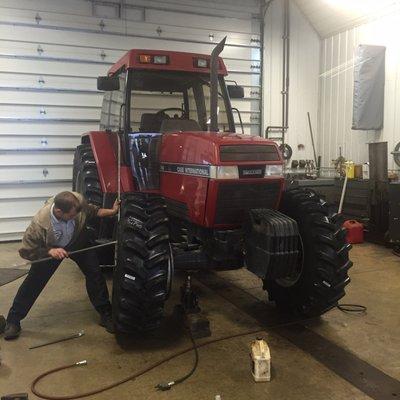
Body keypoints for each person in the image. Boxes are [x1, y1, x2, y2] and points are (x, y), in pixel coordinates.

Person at [3, 191, 119, 340]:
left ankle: (106, 314)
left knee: (95, 274)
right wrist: (49, 251)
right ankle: (13, 321)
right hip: (51, 248)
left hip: (78, 242)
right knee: (34, 282)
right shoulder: (39, 224)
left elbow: (92, 211)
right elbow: (26, 251)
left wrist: (112, 211)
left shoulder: (76, 203)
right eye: (71, 216)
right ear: (58, 211)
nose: (74, 217)